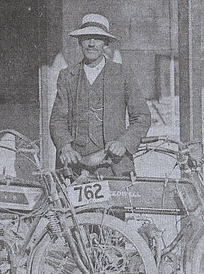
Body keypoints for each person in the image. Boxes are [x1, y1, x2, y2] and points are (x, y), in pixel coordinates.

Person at [50, 13, 151, 177]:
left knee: (117, 202)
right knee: (69, 203)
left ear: (106, 43)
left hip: (115, 165)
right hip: (76, 165)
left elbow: (141, 116)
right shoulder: (67, 76)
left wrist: (124, 143)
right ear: (79, 42)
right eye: (86, 38)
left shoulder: (123, 73)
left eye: (97, 38)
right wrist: (66, 147)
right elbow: (58, 119)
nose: (91, 44)